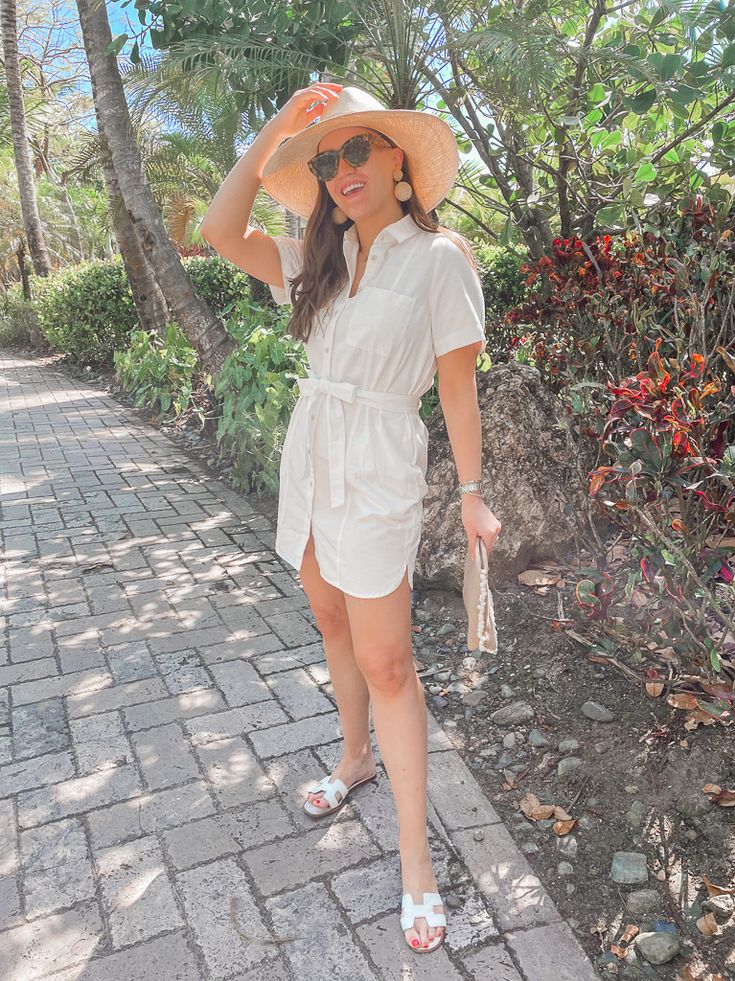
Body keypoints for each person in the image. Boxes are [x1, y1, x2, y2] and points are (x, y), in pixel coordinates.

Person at [200, 81, 502, 956]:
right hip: (312, 452)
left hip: (377, 461)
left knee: (391, 659)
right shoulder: (316, 260)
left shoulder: (441, 259)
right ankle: (353, 757)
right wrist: (277, 125)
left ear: (398, 157)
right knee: (327, 611)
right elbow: (221, 232)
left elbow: (456, 385)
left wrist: (474, 492)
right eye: (327, 160)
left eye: (355, 149)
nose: (340, 171)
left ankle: (417, 864)